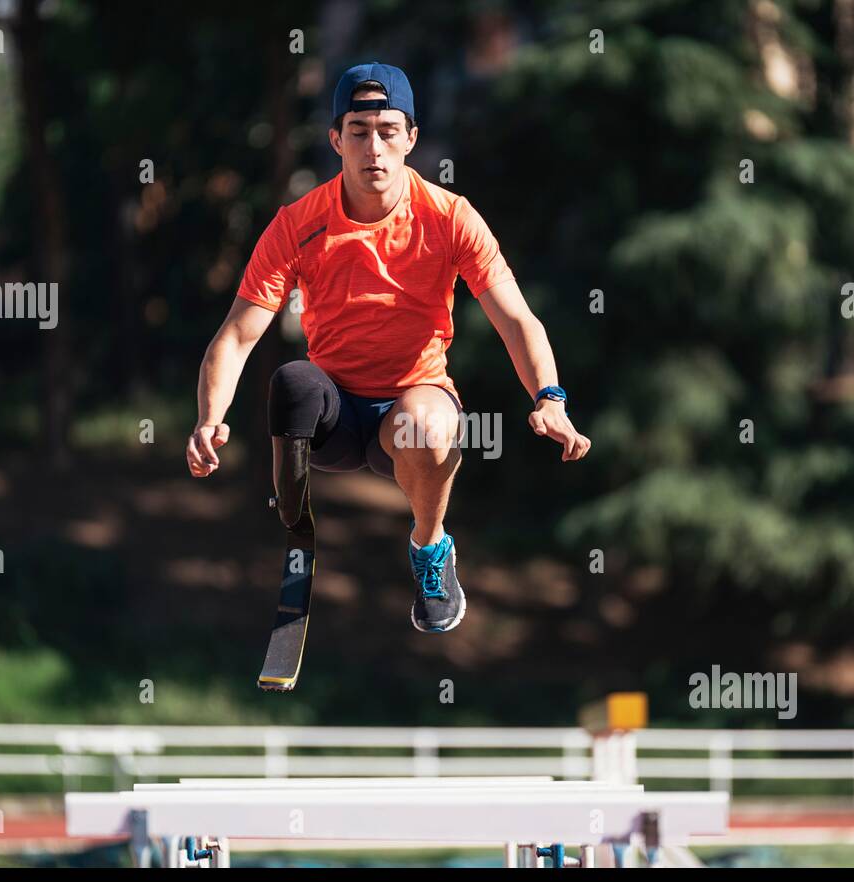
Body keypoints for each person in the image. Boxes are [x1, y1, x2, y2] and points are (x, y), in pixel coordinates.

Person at [187, 61, 590, 633]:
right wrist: (209, 420)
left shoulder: (450, 217)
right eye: (358, 131)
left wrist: (550, 397)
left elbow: (515, 318)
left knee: (425, 424)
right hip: (336, 419)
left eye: (387, 131)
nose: (373, 148)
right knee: (293, 381)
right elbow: (237, 333)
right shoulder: (298, 224)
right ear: (335, 140)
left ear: (411, 139)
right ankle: (295, 527)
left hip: (407, 412)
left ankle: (430, 549)